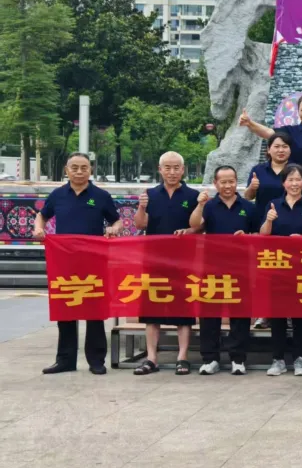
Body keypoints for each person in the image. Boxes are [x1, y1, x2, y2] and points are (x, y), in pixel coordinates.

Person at [35, 152, 121, 376]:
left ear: (91, 170)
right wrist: (38, 228)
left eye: (84, 167)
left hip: (94, 261)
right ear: (67, 170)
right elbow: (42, 215)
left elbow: (117, 220)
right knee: (65, 309)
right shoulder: (58, 195)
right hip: (64, 261)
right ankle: (65, 360)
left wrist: (113, 229)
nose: (79, 172)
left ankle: (96, 360)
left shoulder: (101, 196)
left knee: (95, 310)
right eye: (74, 168)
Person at [131, 151, 200, 376]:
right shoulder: (150, 195)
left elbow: (200, 226)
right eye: (167, 168)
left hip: (184, 260)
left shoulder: (193, 195)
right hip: (154, 259)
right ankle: (151, 358)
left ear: (183, 170)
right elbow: (140, 225)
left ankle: (182, 357)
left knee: (183, 309)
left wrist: (188, 230)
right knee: (152, 308)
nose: (172, 172)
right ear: (160, 170)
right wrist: (142, 207)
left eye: (176, 167)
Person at [189, 165, 260, 375]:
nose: (228, 186)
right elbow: (195, 225)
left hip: (241, 267)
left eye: (231, 181)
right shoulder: (209, 206)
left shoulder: (248, 207)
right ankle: (210, 358)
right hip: (212, 267)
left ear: (236, 182)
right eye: (223, 182)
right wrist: (200, 205)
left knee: (240, 314)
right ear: (215, 183)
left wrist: (248, 237)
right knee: (210, 314)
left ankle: (238, 358)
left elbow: (260, 235)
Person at [259, 164, 302, 376]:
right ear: (283, 183)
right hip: (278, 266)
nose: (294, 184)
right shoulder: (274, 205)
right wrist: (268, 220)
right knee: (278, 315)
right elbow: (263, 234)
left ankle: (300, 359)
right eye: (290, 180)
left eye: (298, 179)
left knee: (301, 315)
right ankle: (278, 359)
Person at [239, 93, 302, 200]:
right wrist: (249, 123)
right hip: (293, 189)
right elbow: (268, 133)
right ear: (298, 112)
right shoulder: (291, 131)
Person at [245, 132, 294, 329]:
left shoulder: (295, 170)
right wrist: (252, 187)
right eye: (277, 146)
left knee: (288, 273)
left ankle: (288, 313)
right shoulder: (258, 170)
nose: (281, 150)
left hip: (290, 227)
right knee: (265, 274)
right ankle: (264, 314)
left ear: (290, 149)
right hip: (264, 227)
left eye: (285, 146)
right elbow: (248, 196)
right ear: (269, 150)